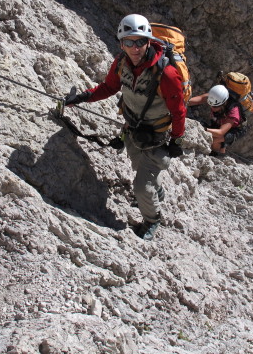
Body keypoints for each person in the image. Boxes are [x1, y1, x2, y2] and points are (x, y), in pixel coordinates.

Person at [65, 14, 186, 241]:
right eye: (129, 42)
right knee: (139, 164)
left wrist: (176, 140)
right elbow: (109, 88)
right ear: (122, 43)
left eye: (140, 41)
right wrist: (83, 97)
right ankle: (156, 193)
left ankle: (152, 219)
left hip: (157, 135)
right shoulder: (121, 63)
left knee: (141, 186)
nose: (135, 47)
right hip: (132, 129)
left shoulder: (166, 74)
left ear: (149, 41)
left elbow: (179, 110)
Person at [188, 84, 243, 156]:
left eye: (215, 106)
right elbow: (200, 99)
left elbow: (220, 132)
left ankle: (216, 153)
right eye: (210, 104)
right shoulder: (214, 96)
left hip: (233, 130)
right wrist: (183, 102)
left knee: (214, 140)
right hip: (219, 123)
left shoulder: (234, 111)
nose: (212, 108)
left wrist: (202, 129)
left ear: (224, 103)